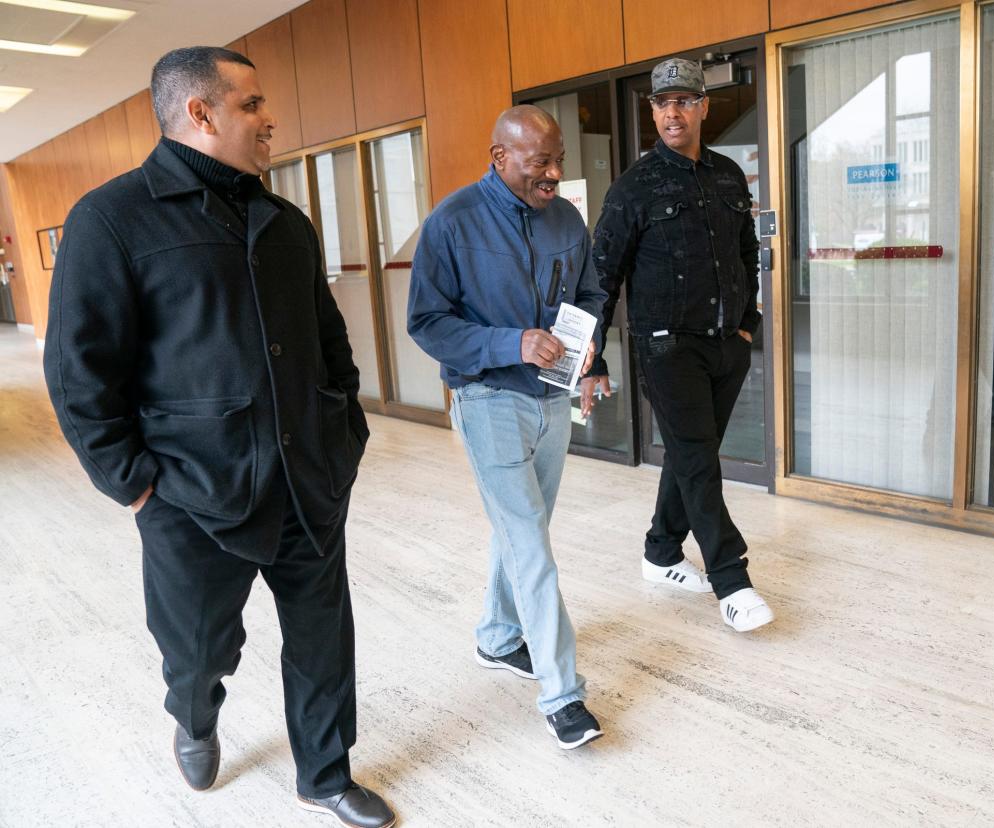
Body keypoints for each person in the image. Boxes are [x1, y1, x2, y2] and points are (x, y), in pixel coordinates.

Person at [43, 47, 394, 828]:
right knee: (201, 651)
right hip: (191, 494)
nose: (269, 119)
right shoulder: (112, 218)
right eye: (251, 105)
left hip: (307, 480)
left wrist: (345, 434)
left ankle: (326, 775)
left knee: (323, 642)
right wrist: (134, 484)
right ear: (199, 114)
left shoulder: (284, 221)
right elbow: (78, 371)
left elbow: (327, 341)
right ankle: (194, 717)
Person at [408, 105, 607, 750]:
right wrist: (509, 343)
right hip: (488, 397)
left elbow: (591, 295)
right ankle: (563, 694)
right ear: (499, 157)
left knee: (525, 528)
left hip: (552, 402)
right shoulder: (452, 221)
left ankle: (498, 638)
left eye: (558, 161)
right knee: (530, 543)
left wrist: (587, 358)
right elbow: (428, 323)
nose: (552, 174)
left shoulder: (568, 218)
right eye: (537, 162)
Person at [583, 58, 773, 633]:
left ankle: (661, 552)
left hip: (725, 346)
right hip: (666, 350)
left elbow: (745, 253)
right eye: (662, 103)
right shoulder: (633, 188)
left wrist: (747, 326)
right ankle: (730, 579)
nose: (672, 111)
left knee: (693, 456)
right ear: (653, 111)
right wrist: (595, 357)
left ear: (702, 107)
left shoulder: (727, 176)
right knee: (696, 457)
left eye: (684, 101)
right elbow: (600, 277)